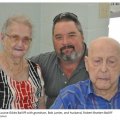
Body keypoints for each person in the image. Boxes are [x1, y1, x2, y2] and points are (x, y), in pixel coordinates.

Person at [30, 12, 89, 108]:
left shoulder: (98, 61)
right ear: (53, 40)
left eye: (71, 35)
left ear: (82, 36)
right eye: (59, 37)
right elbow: (16, 64)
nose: (65, 42)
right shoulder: (43, 62)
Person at [50, 36, 120, 109]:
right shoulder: (69, 97)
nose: (103, 69)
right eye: (97, 61)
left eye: (111, 62)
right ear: (87, 64)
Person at [0, 15, 46, 109]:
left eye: (26, 39)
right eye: (14, 37)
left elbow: (41, 106)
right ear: (2, 38)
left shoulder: (36, 69)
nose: (20, 44)